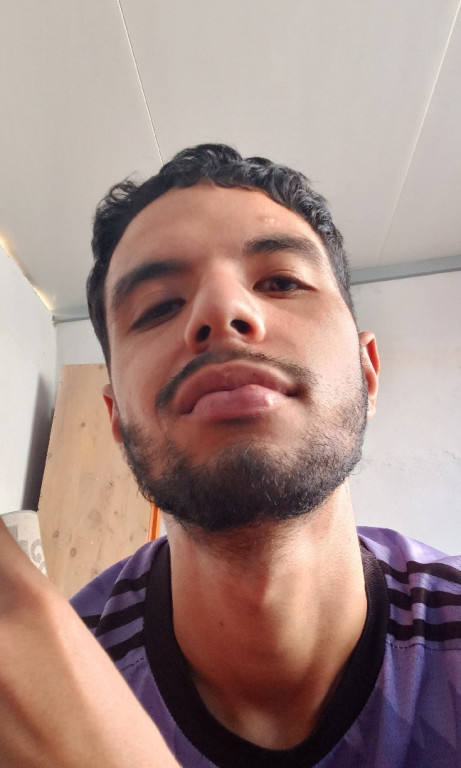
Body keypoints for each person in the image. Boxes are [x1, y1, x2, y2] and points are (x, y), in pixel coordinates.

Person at [1, 144, 460, 767]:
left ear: (367, 371)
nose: (220, 311)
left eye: (281, 282)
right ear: (115, 421)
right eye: (159, 307)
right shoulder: (49, 692)